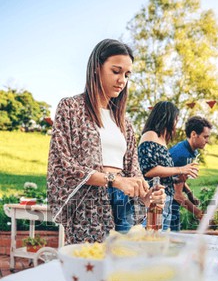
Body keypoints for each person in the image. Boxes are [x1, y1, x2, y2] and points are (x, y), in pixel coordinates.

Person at [47, 39, 165, 244]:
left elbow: (133, 170)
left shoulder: (124, 122)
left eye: (127, 75)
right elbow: (61, 164)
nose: (122, 80)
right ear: (96, 68)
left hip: (123, 204)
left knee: (124, 265)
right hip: (88, 203)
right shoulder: (70, 108)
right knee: (89, 264)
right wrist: (113, 180)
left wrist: (146, 197)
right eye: (116, 71)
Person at [138, 101, 199, 230]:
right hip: (154, 199)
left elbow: (163, 174)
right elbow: (149, 171)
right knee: (149, 238)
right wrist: (181, 168)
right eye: (175, 119)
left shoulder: (162, 140)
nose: (176, 123)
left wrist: (179, 177)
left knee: (161, 239)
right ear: (166, 117)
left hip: (166, 198)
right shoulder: (150, 135)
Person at [169, 116, 212, 231]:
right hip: (166, 205)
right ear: (194, 134)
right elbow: (177, 195)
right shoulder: (181, 155)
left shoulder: (192, 151)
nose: (207, 141)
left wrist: (190, 193)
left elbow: (179, 179)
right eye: (205, 137)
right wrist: (199, 214)